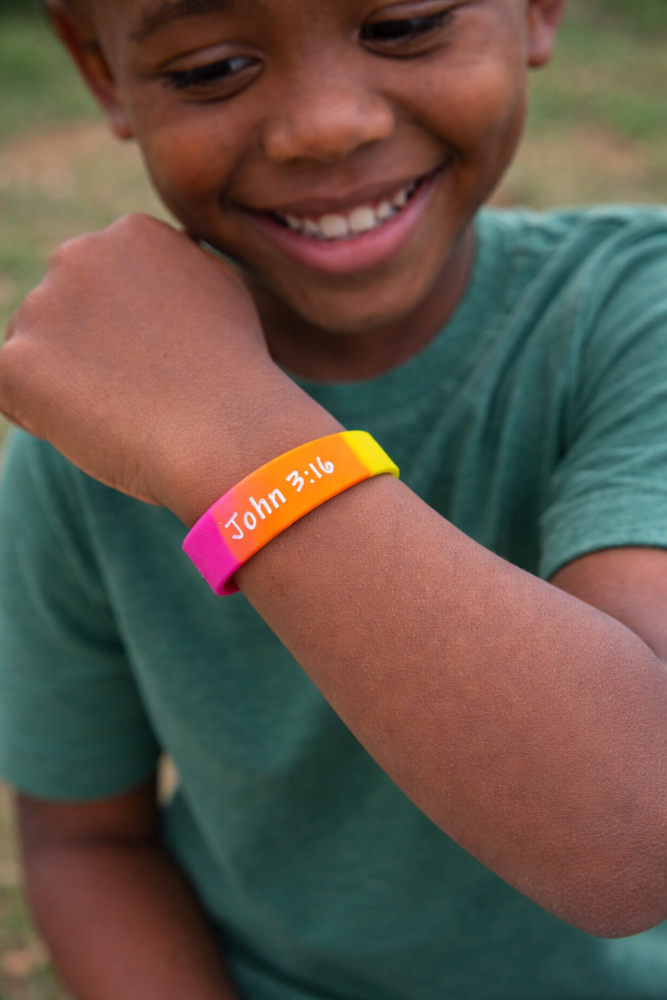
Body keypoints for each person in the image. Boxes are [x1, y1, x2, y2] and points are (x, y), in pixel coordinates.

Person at [1, 0, 667, 996]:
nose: (325, 125)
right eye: (212, 67)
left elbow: (633, 835)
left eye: (404, 23)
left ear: (535, 10)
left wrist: (239, 447)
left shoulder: (637, 318)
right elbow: (85, 839)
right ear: (102, 70)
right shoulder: (92, 445)